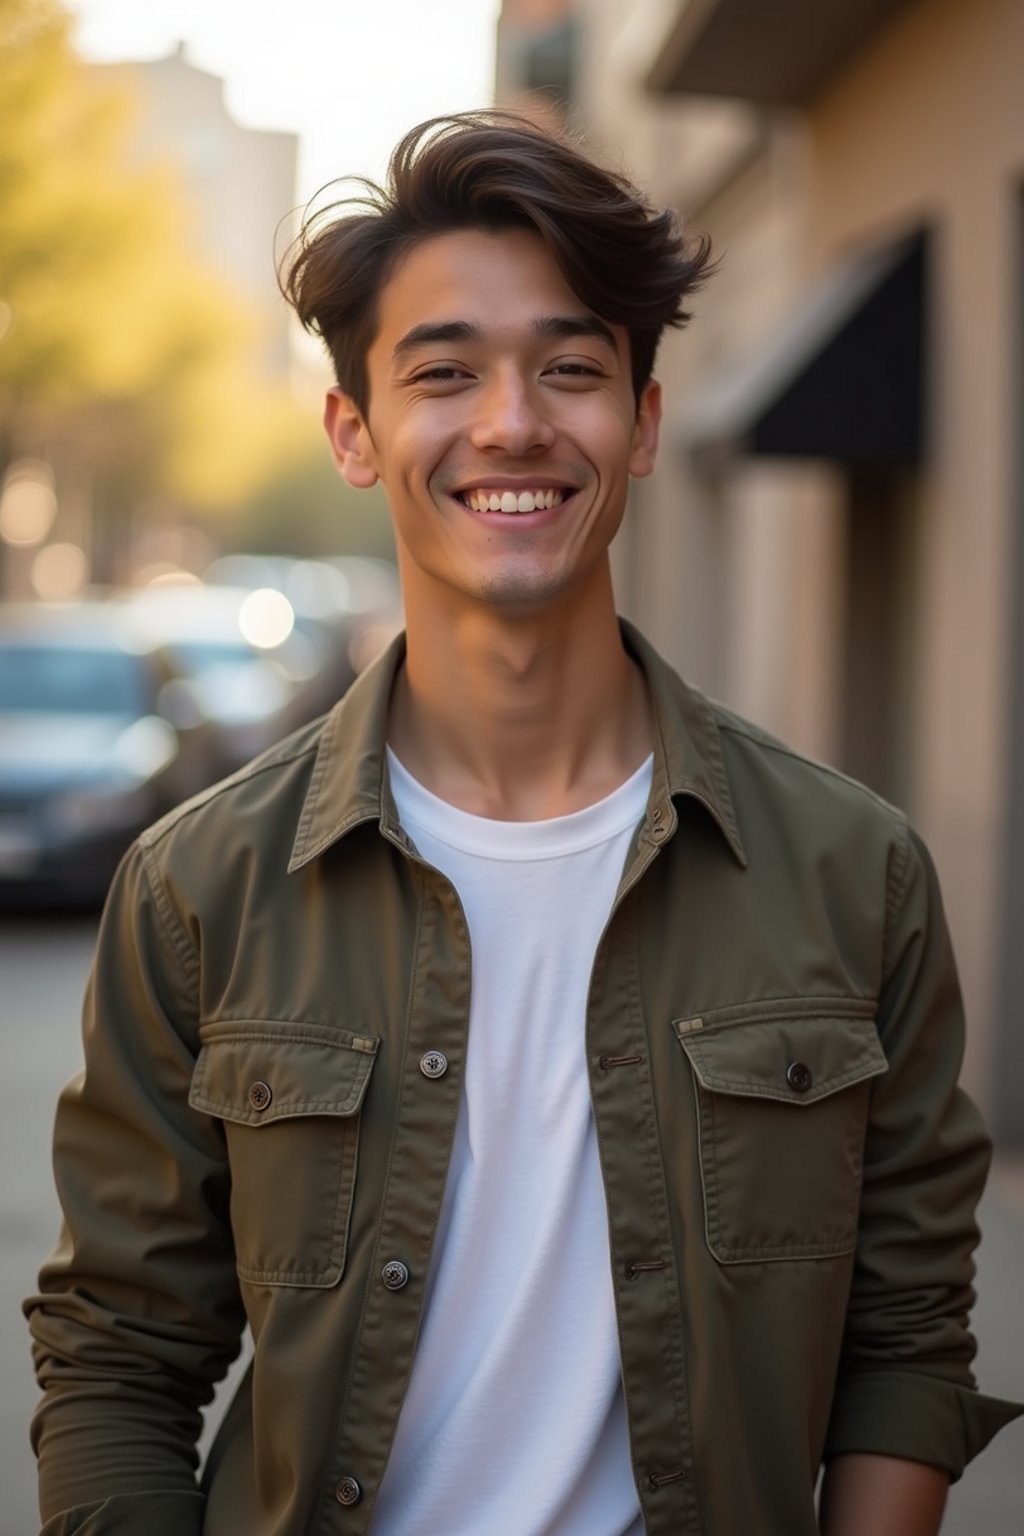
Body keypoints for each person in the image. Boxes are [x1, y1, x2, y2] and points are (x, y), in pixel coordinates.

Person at [25, 111, 1020, 1536]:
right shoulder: (203, 886)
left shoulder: (854, 874)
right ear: (354, 432)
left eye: (571, 369)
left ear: (646, 424)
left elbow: (905, 1337)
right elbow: (118, 1354)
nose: (512, 422)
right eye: (444, 372)